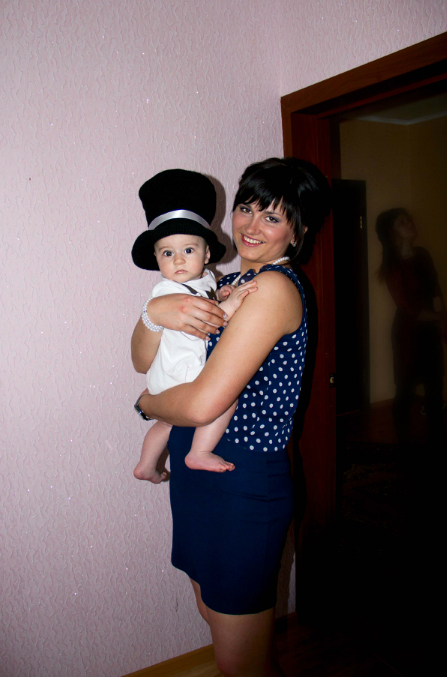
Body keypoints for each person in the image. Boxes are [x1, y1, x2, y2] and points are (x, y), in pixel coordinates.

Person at [131, 157, 331, 676]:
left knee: (240, 660)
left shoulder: (274, 288)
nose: (251, 225)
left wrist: (145, 405)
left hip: (241, 479)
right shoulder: (229, 282)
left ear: (298, 232)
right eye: (246, 208)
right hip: (197, 470)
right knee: (216, 619)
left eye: (273, 216)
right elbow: (141, 359)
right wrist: (154, 313)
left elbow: (202, 404)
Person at [132, 169, 257, 482]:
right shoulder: (166, 291)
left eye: (188, 250)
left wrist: (221, 294)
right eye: (168, 253)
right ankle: (199, 451)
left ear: (207, 253)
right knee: (226, 398)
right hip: (184, 371)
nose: (178, 261)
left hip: (166, 376)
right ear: (156, 258)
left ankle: (146, 464)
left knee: (166, 424)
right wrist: (232, 303)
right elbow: (212, 321)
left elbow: (206, 301)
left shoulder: (204, 280)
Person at [376, 208, 446, 448]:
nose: (409, 223)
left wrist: (441, 321)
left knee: (435, 386)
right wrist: (440, 318)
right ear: (391, 232)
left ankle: (437, 441)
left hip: (429, 330)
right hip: (408, 334)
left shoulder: (423, 255)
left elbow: (435, 290)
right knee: (405, 389)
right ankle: (403, 443)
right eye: (402, 222)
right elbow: (408, 309)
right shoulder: (393, 266)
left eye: (408, 219)